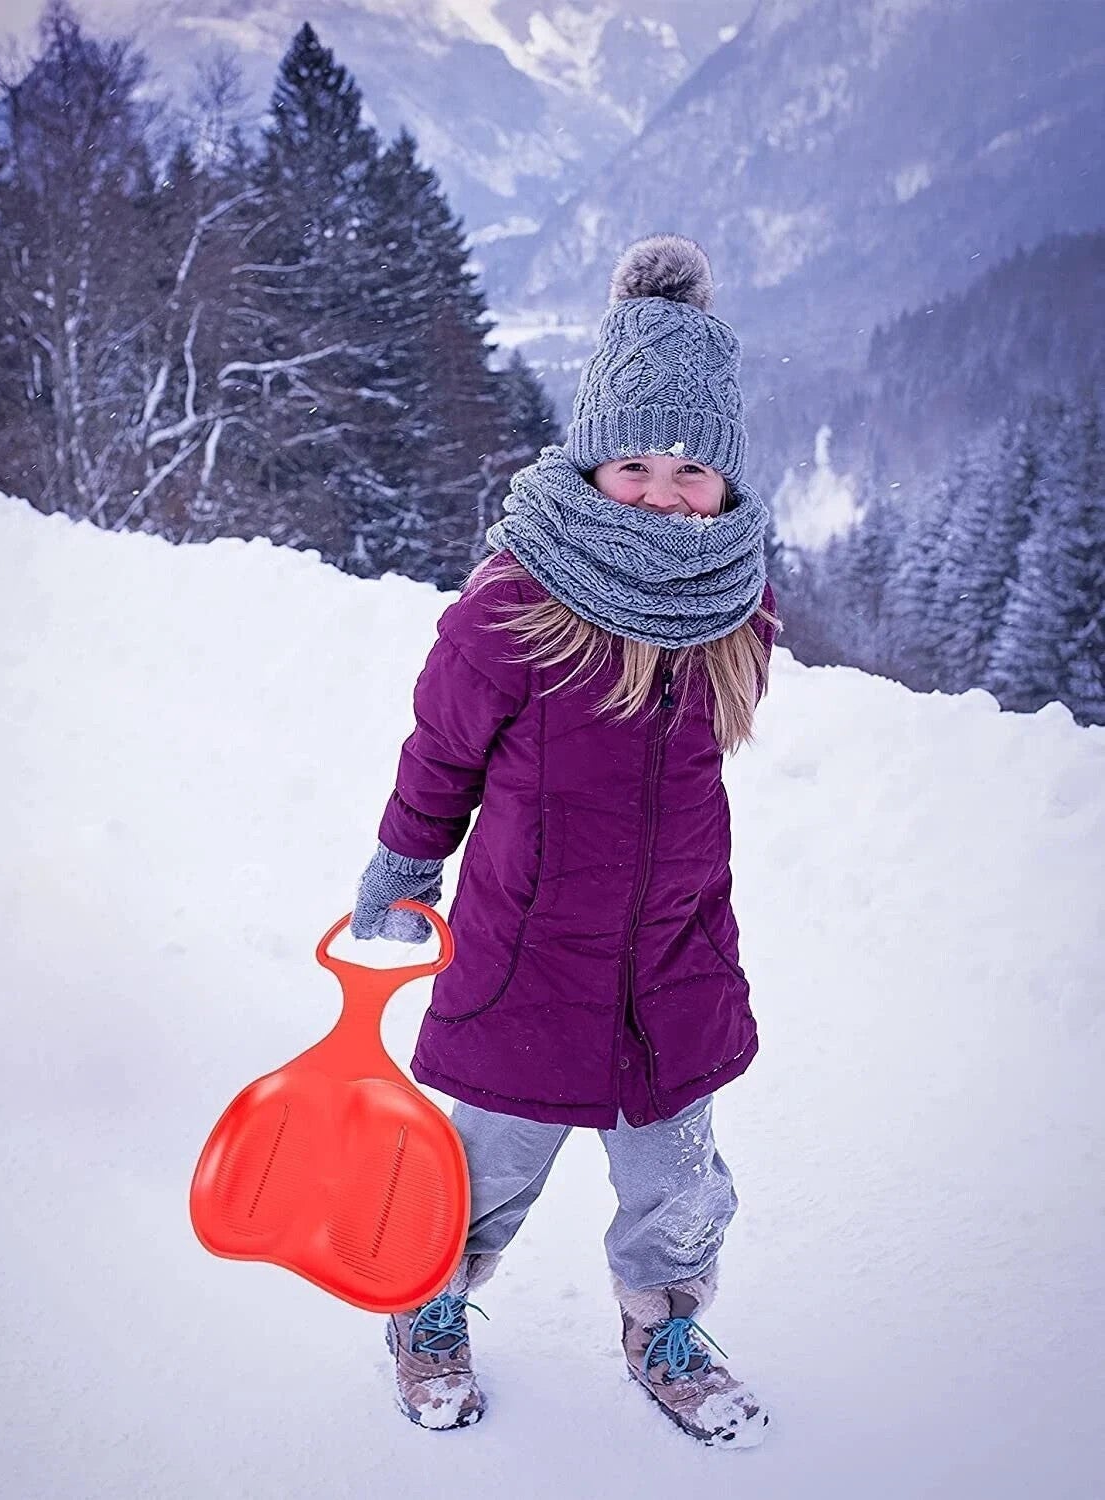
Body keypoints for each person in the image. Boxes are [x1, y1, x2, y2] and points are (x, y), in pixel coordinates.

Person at [352, 235, 779, 1449]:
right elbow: (441, 755)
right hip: (531, 957)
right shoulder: (514, 602)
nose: (660, 488)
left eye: (693, 468)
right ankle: (427, 1303)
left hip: (675, 959)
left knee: (679, 1189)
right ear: (589, 461)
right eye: (633, 461)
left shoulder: (732, 604)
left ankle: (667, 1327)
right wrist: (403, 867)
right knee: (483, 1173)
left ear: (730, 480)